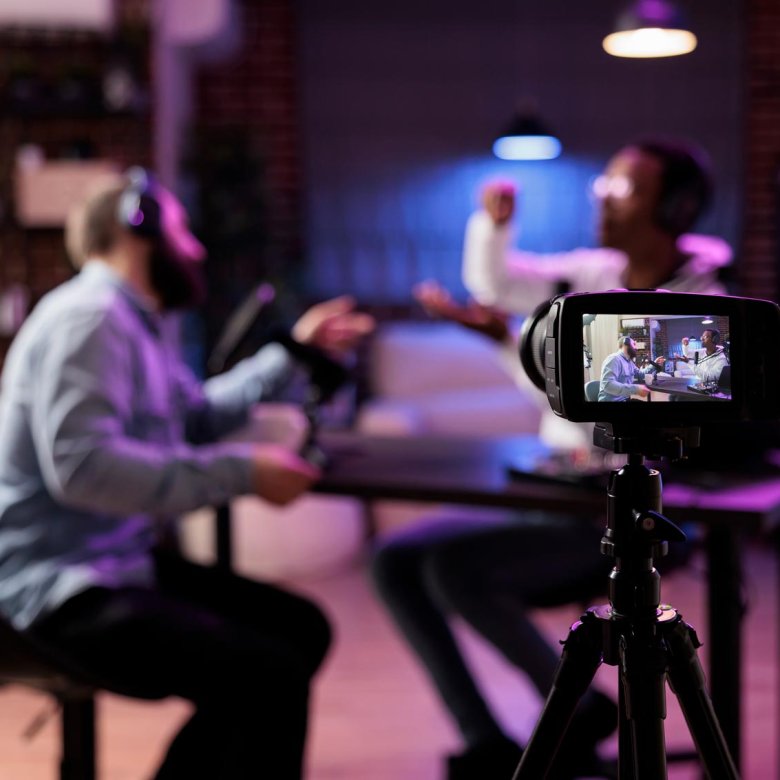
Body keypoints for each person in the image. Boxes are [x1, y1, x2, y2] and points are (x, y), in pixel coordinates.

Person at [371, 139, 729, 780]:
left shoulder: (701, 304)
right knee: (398, 560)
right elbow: (502, 289)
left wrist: (508, 347)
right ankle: (486, 740)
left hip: (620, 515)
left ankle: (580, 712)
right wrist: (493, 230)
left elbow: (615, 404)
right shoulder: (591, 276)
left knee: (455, 569)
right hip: (555, 490)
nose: (602, 195)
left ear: (674, 206)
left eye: (623, 187)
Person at [0, 169, 374, 779]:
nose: (197, 248)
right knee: (268, 676)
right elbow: (84, 470)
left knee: (299, 632)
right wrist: (242, 473)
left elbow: (194, 418)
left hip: (112, 562)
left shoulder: (136, 324)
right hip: (53, 588)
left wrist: (293, 352)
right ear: (136, 227)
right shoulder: (89, 319)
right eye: (182, 231)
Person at [598, 336, 660, 401]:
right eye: (634, 344)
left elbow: (641, 374)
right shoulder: (614, 359)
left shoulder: (630, 362)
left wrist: (654, 364)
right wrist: (636, 389)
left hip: (624, 399)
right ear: (625, 342)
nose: (636, 348)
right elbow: (608, 385)